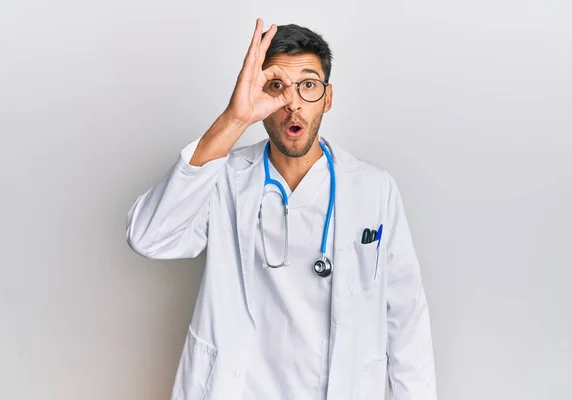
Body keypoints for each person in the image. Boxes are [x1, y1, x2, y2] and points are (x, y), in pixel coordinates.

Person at [126, 19, 437, 400]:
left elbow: (406, 318)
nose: (293, 104)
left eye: (308, 86)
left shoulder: (373, 187)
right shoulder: (223, 178)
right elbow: (148, 237)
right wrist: (234, 119)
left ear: (328, 97)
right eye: (277, 86)